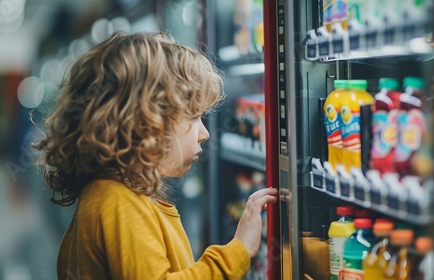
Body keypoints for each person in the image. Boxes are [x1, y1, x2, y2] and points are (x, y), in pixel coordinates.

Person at [33, 32, 278, 280]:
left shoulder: (113, 196)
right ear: (145, 122)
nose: (204, 133)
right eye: (193, 117)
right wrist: (240, 251)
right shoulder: (118, 203)